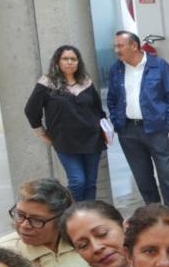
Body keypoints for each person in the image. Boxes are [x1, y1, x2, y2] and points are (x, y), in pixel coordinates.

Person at [105, 30, 169, 211]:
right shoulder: (117, 69)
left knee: (166, 176)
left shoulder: (159, 66)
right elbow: (112, 99)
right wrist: (118, 123)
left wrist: (165, 125)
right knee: (142, 178)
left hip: (155, 130)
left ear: (134, 46)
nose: (116, 50)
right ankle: (154, 215)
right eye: (115, 46)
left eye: (120, 46)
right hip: (128, 131)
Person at [24, 45, 108, 202]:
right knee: (78, 181)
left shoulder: (86, 82)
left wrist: (105, 130)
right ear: (57, 61)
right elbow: (31, 110)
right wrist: (42, 133)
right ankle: (72, 213)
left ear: (78, 62)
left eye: (73, 59)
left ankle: (89, 213)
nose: (70, 62)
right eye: (65, 58)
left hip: (92, 139)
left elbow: (98, 110)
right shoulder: (47, 83)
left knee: (90, 183)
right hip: (64, 141)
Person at [0, 178, 92, 267]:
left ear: (61, 220)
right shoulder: (4, 252)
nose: (24, 225)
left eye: (37, 220)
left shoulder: (85, 244)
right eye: (20, 215)